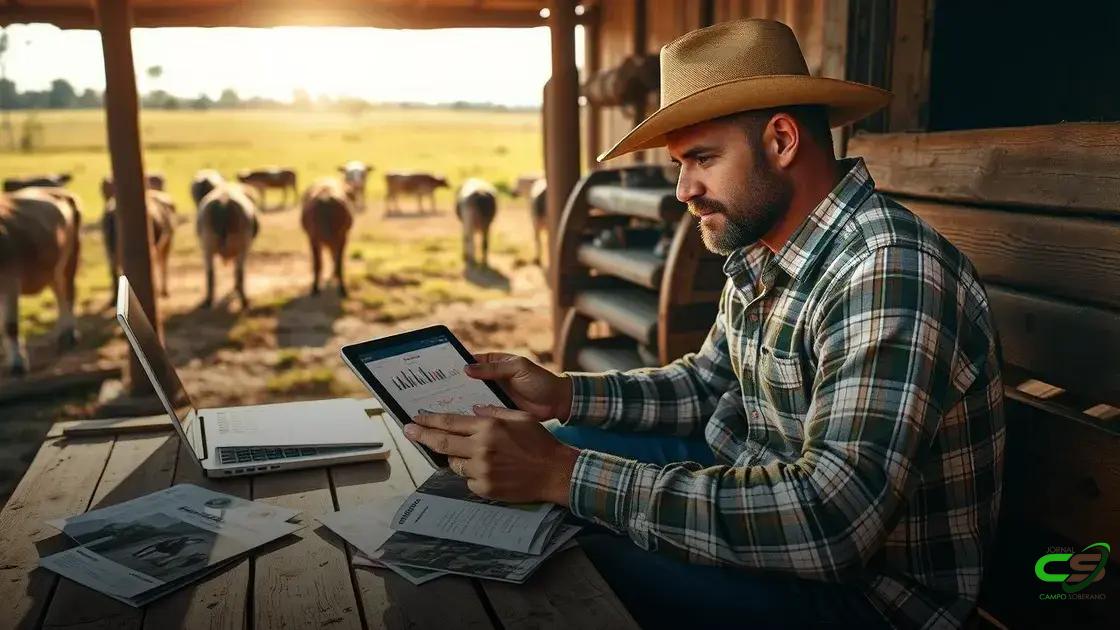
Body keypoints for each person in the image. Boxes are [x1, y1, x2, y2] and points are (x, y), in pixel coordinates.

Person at [403, 18, 1005, 630]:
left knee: (562, 557)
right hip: (757, 488)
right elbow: (707, 388)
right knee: (556, 469)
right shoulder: (765, 249)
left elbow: (833, 523)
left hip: (864, 598)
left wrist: (562, 474)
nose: (683, 190)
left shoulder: (887, 271)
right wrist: (563, 393)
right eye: (678, 164)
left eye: (702, 159)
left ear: (781, 140)